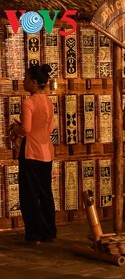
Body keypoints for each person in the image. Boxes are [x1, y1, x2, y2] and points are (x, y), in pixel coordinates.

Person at [12, 64, 56, 245]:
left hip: (31, 151)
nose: (24, 81)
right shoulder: (48, 101)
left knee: (30, 194)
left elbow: (26, 128)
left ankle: (35, 234)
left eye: (26, 78)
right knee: (46, 193)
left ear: (34, 82)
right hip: (47, 151)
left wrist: (16, 129)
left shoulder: (28, 102)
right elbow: (51, 127)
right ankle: (49, 231)